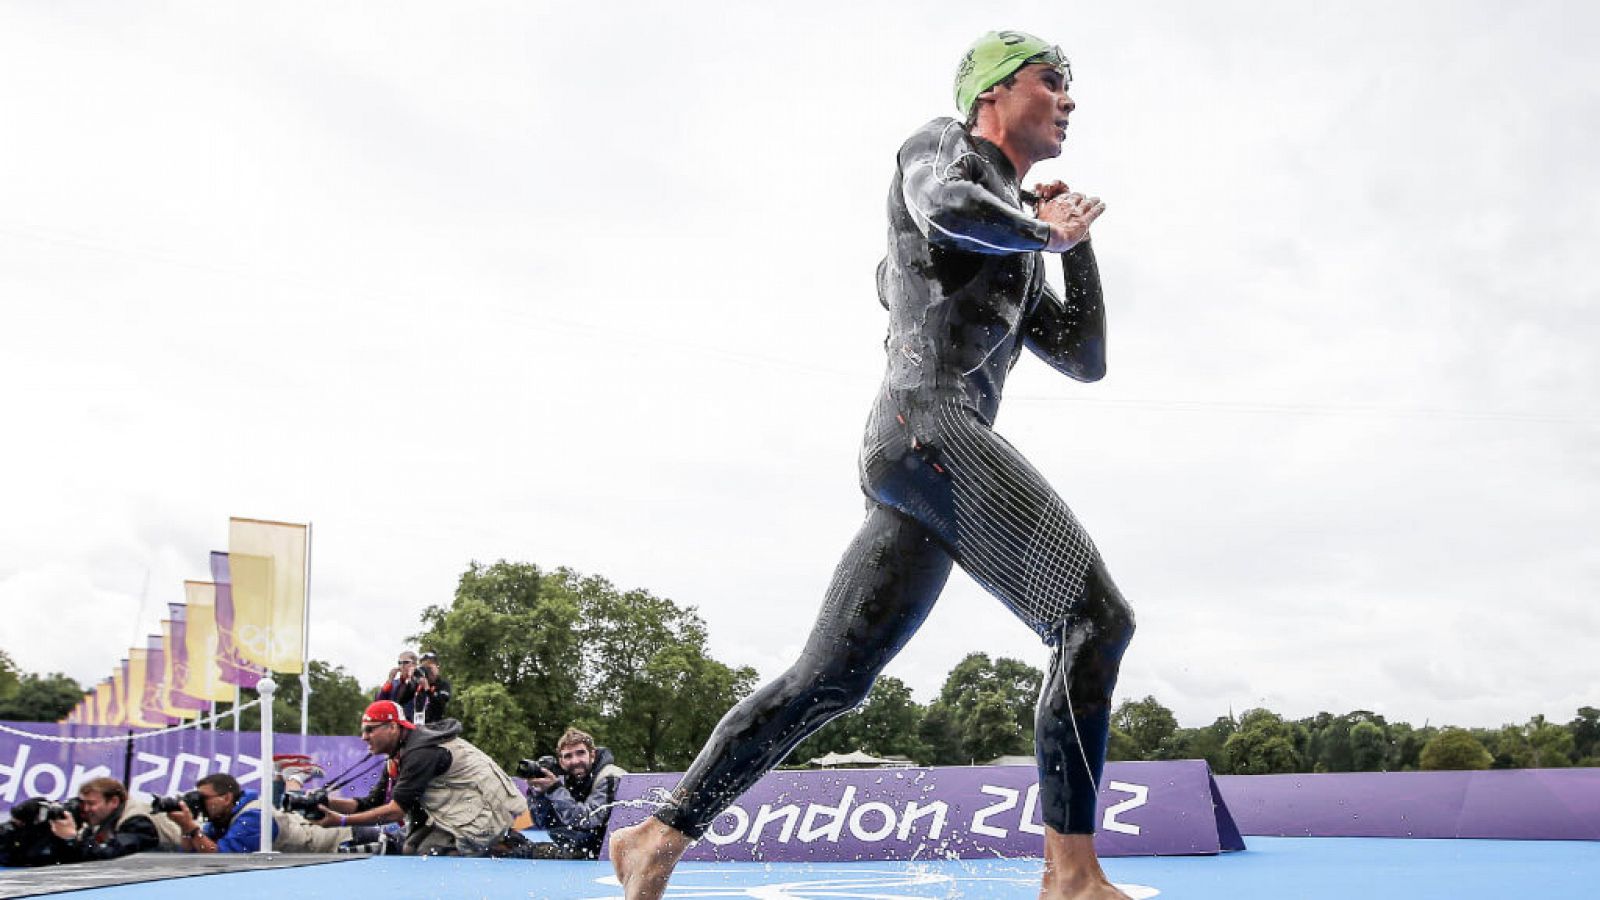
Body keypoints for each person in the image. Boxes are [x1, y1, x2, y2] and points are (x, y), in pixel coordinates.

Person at [609, 29, 1134, 900]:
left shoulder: (1017, 231)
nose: (1071, 101)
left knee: (832, 679)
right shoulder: (941, 147)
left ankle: (657, 836)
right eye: (1054, 81)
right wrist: (1039, 227)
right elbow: (945, 209)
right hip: (926, 426)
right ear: (994, 94)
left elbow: (1085, 357)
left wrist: (1071, 242)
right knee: (1094, 623)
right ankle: (1072, 877)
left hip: (918, 457)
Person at [314, 700, 526, 856]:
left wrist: (341, 821)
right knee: (410, 848)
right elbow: (372, 803)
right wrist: (325, 803)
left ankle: (510, 848)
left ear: (393, 727)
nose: (364, 737)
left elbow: (394, 811)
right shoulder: (397, 756)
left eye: (370, 729)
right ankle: (498, 842)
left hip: (488, 806)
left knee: (432, 853)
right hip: (463, 805)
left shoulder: (418, 753)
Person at [521, 728, 627, 859]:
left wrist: (555, 789)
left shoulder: (609, 776)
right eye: (568, 756)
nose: (575, 761)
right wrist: (538, 794)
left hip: (612, 850)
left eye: (580, 753)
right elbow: (545, 823)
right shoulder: (567, 778)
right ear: (561, 761)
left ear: (592, 755)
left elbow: (587, 820)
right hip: (584, 845)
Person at [43, 777, 171, 862]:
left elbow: (109, 857)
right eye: (84, 804)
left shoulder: (137, 820)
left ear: (114, 801)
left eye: (91, 804)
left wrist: (71, 839)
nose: (86, 809)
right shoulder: (101, 821)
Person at [166, 773, 272, 853]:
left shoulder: (255, 817)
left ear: (226, 798)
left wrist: (191, 828)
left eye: (204, 798)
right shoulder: (219, 819)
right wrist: (185, 828)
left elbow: (223, 858)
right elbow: (193, 853)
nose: (200, 803)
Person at [375, 650, 422, 721]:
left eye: (406, 662)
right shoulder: (393, 683)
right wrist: (390, 680)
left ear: (414, 665)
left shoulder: (420, 683)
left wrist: (411, 677)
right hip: (393, 724)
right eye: (399, 663)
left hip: (412, 725)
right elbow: (379, 703)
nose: (402, 665)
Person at [412, 652, 452, 725]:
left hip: (435, 727)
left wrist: (427, 689)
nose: (427, 671)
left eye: (429, 668)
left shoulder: (443, 684)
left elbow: (440, 705)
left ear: (437, 667)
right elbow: (401, 700)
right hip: (417, 726)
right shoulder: (417, 685)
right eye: (424, 668)